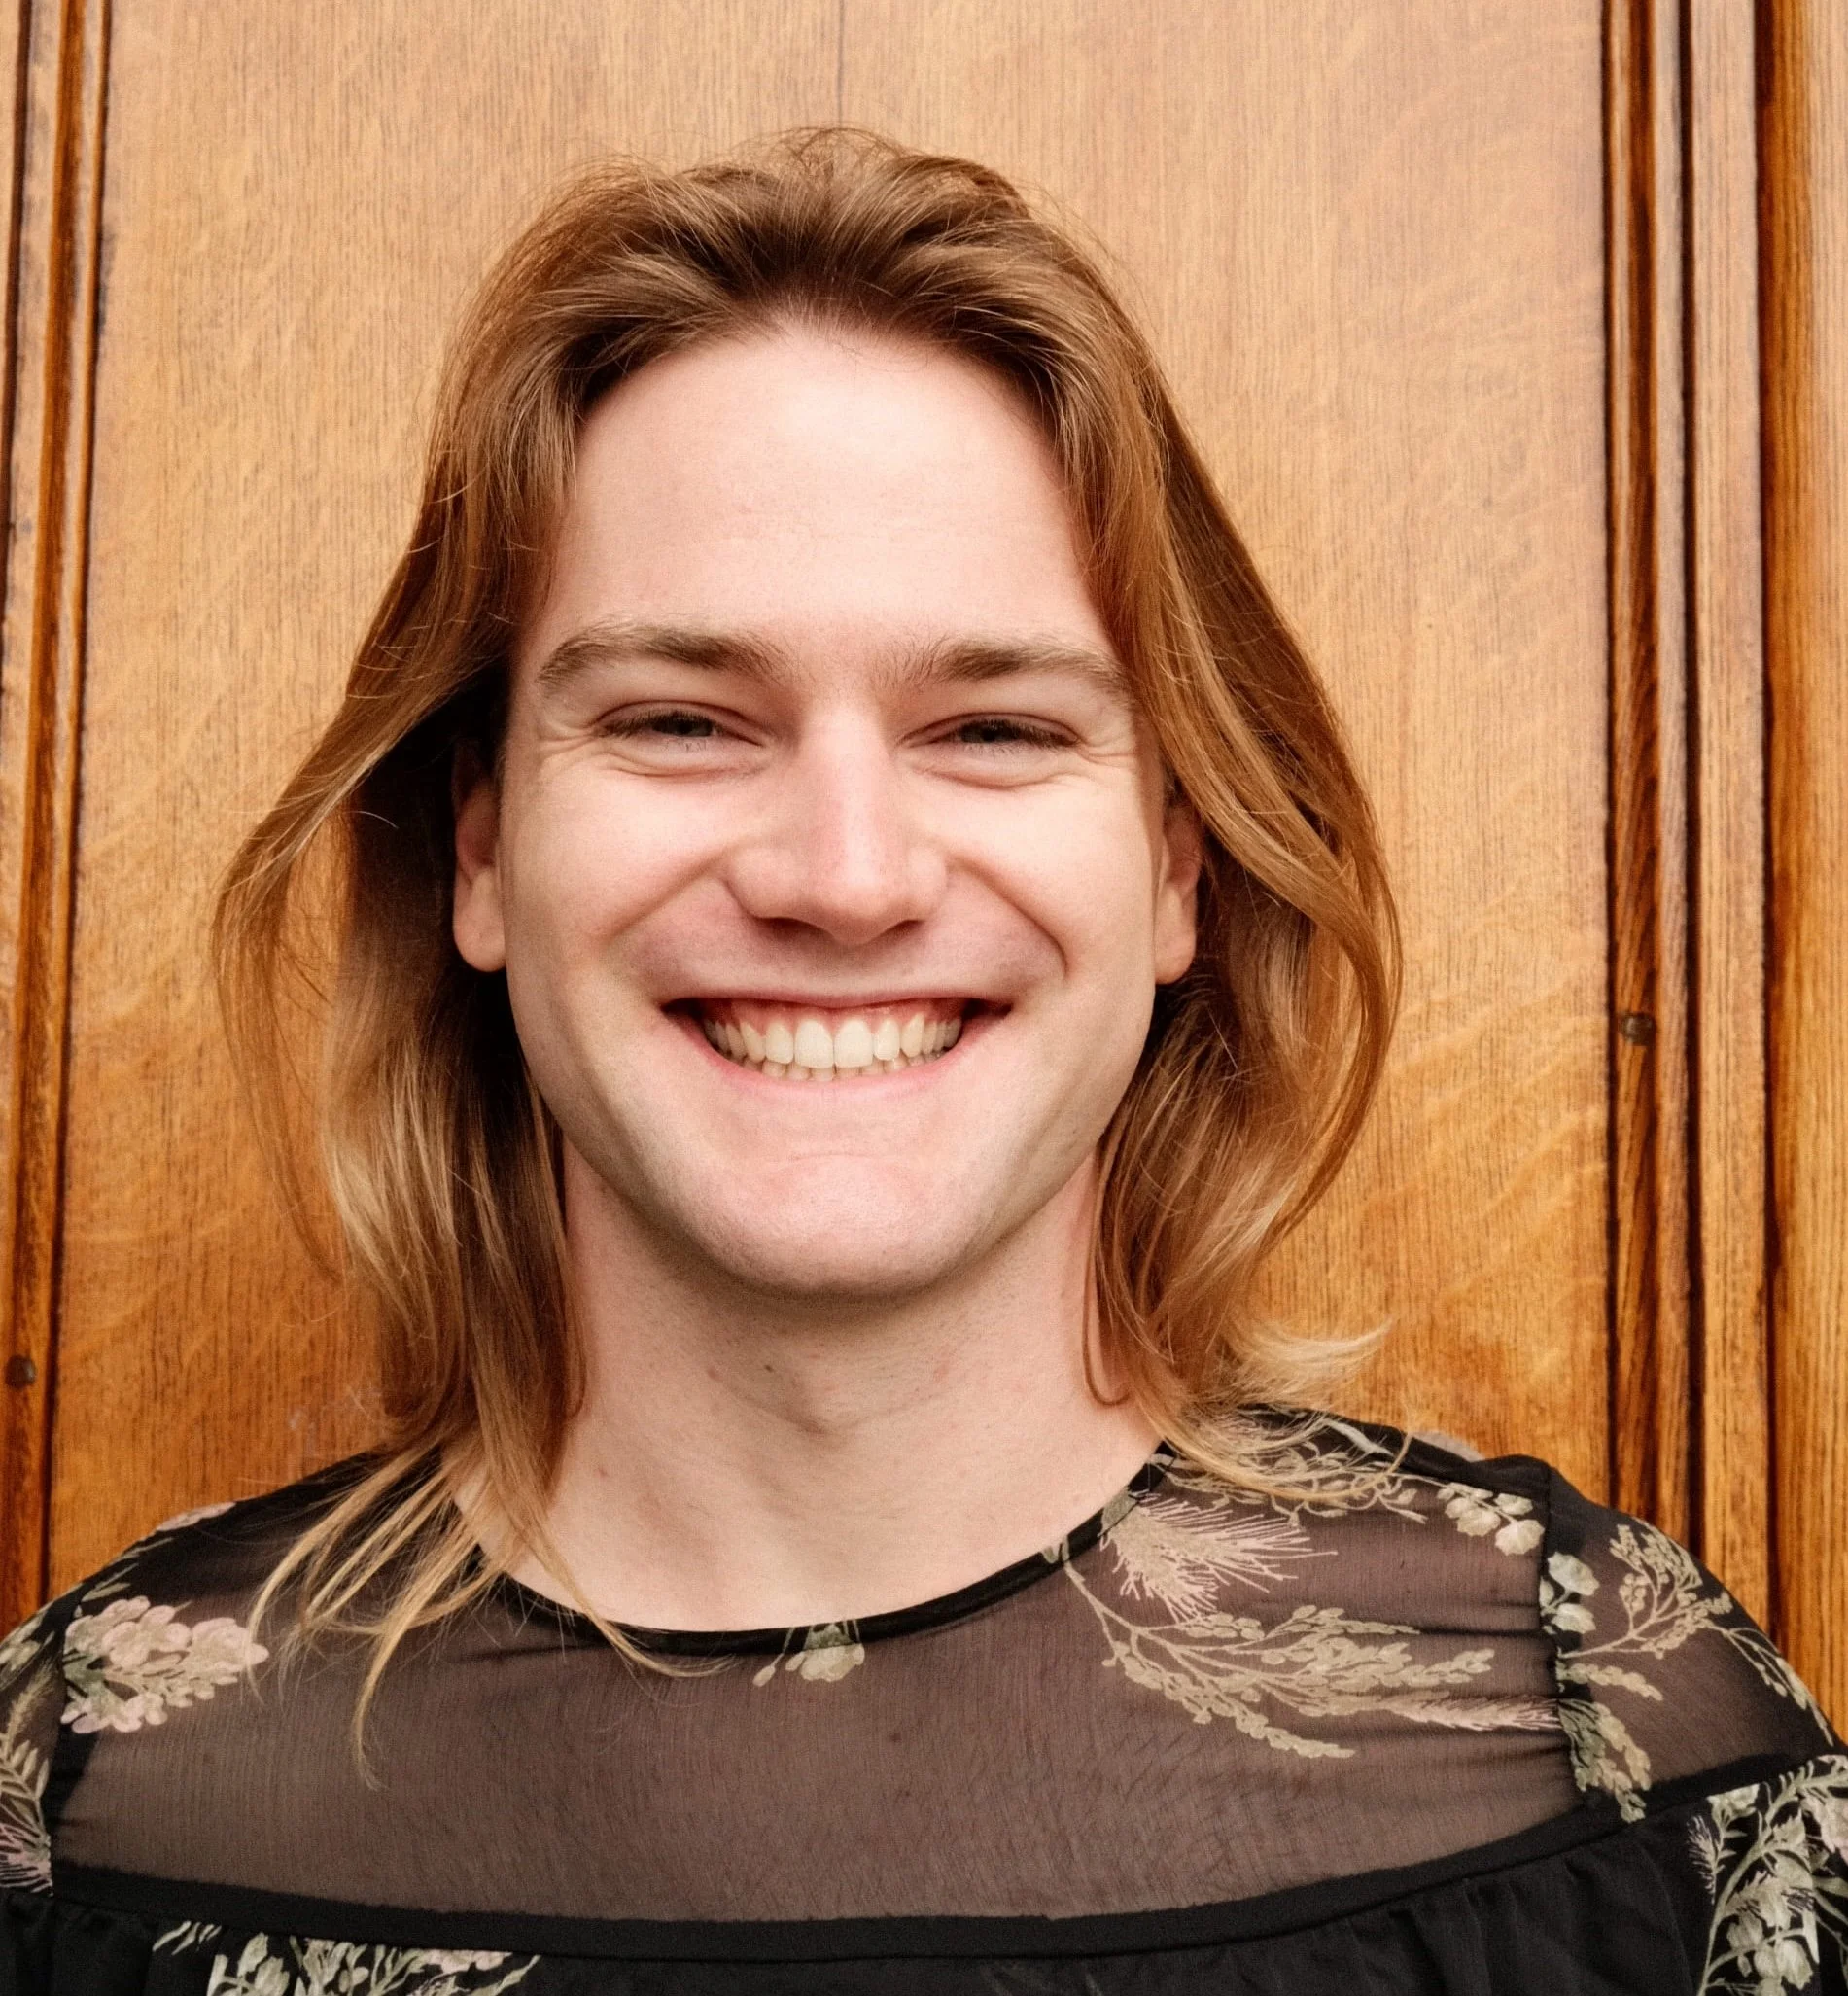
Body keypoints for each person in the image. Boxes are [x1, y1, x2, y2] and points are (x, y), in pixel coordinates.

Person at [0, 129, 1841, 1996]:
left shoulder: (1598, 1751)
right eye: (680, 720)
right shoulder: (91, 1800)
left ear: (1178, 867)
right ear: (481, 850)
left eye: (993, 727)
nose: (847, 876)